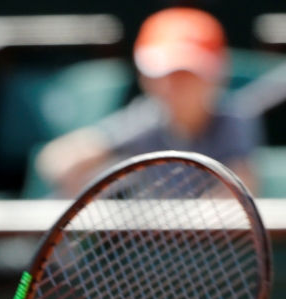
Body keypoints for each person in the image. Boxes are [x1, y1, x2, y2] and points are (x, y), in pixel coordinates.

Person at [37, 7, 261, 196]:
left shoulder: (235, 122)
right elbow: (56, 160)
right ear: (147, 79)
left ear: (215, 76)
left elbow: (240, 192)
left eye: (188, 73)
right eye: (167, 74)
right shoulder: (141, 122)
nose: (177, 85)